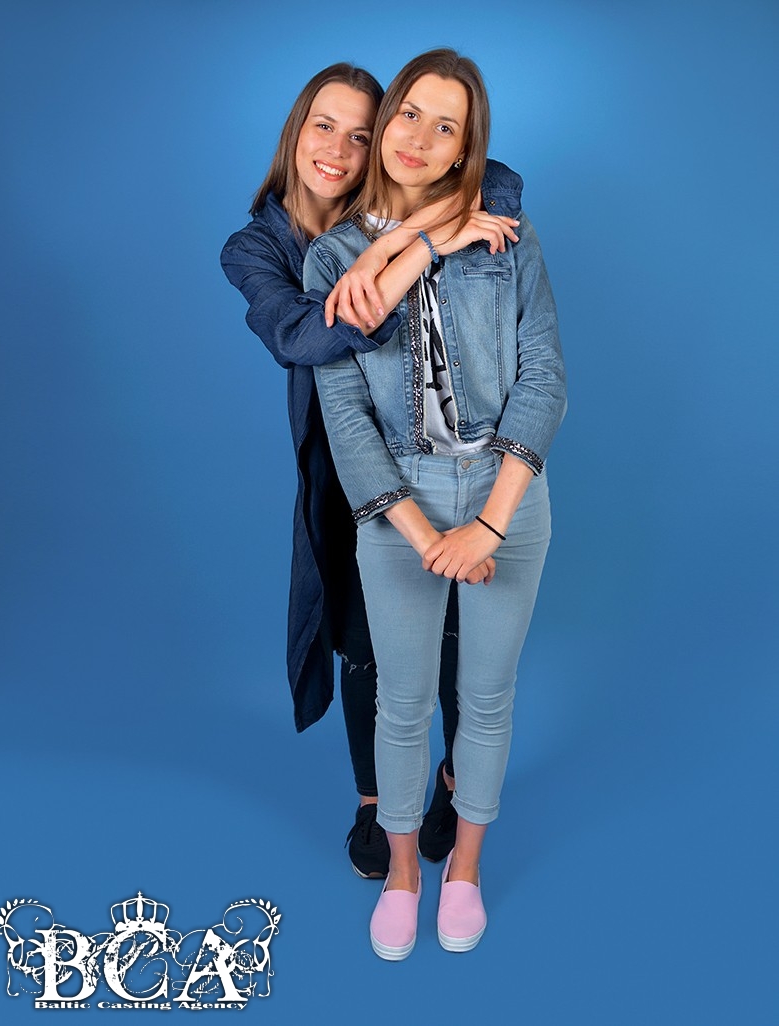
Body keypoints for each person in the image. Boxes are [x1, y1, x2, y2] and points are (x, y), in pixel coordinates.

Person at [305, 48, 566, 958]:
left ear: (466, 149)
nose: (419, 137)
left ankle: (464, 872)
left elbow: (544, 380)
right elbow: (345, 415)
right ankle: (404, 875)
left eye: (445, 126)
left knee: (486, 698)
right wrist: (421, 534)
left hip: (507, 494)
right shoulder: (335, 259)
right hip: (397, 505)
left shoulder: (508, 235)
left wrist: (489, 524)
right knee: (403, 701)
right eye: (409, 113)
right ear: (387, 122)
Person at [220, 63, 475, 879]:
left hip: (443, 451)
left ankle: (454, 779)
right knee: (364, 645)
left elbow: (498, 181)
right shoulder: (255, 248)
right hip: (345, 469)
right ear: (295, 131)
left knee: (455, 637)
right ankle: (375, 799)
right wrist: (413, 253)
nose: (339, 148)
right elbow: (302, 336)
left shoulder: (401, 202)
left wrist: (399, 237)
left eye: (363, 134)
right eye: (324, 126)